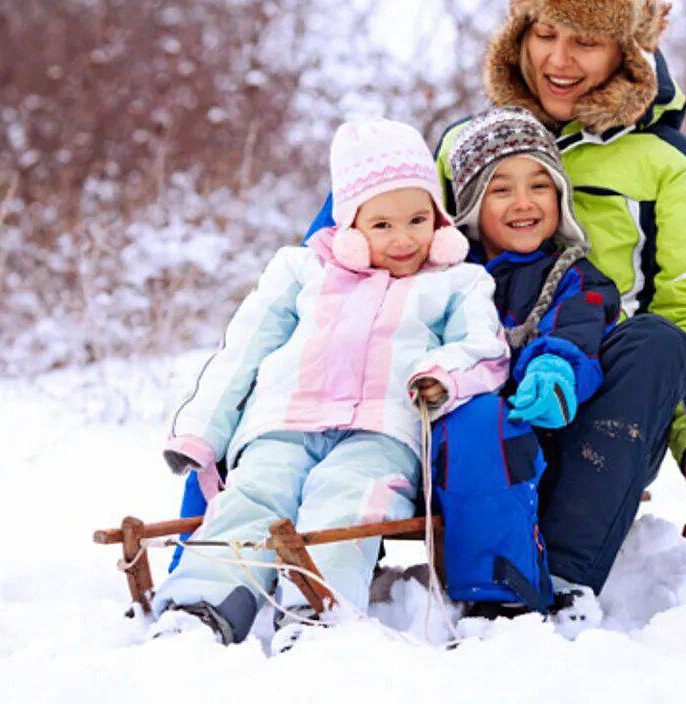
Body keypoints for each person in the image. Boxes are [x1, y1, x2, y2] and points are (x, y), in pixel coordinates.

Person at [433, 0, 686, 620]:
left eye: (586, 42)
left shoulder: (669, 164)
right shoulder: (465, 142)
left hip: (597, 406)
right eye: (545, 34)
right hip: (472, 382)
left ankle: (563, 580)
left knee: (656, 339)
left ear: (625, 53)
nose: (559, 59)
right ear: (519, 38)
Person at [150, 118, 510, 651]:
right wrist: (202, 434)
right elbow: (242, 352)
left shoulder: (457, 282)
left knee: (348, 501)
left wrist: (441, 376)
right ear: (349, 224)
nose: (404, 239)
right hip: (283, 421)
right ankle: (201, 609)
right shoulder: (299, 271)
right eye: (381, 225)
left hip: (382, 430)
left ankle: (317, 612)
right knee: (251, 498)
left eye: (417, 219)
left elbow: (485, 349)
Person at [431, 106, 624, 625]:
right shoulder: (440, 272)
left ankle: (501, 589)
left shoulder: (573, 276)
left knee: (486, 422)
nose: (524, 203)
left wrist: (555, 368)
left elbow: (578, 327)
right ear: (471, 203)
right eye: (501, 189)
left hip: (522, 433)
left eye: (540, 186)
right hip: (421, 422)